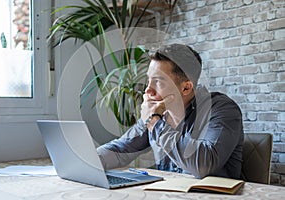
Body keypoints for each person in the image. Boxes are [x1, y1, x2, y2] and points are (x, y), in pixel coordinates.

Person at [97, 43, 244, 179]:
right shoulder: (159, 113)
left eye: (158, 81)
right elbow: (121, 149)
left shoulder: (222, 109)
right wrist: (86, 160)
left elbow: (203, 166)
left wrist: (155, 123)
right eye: (149, 80)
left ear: (186, 88)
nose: (148, 89)